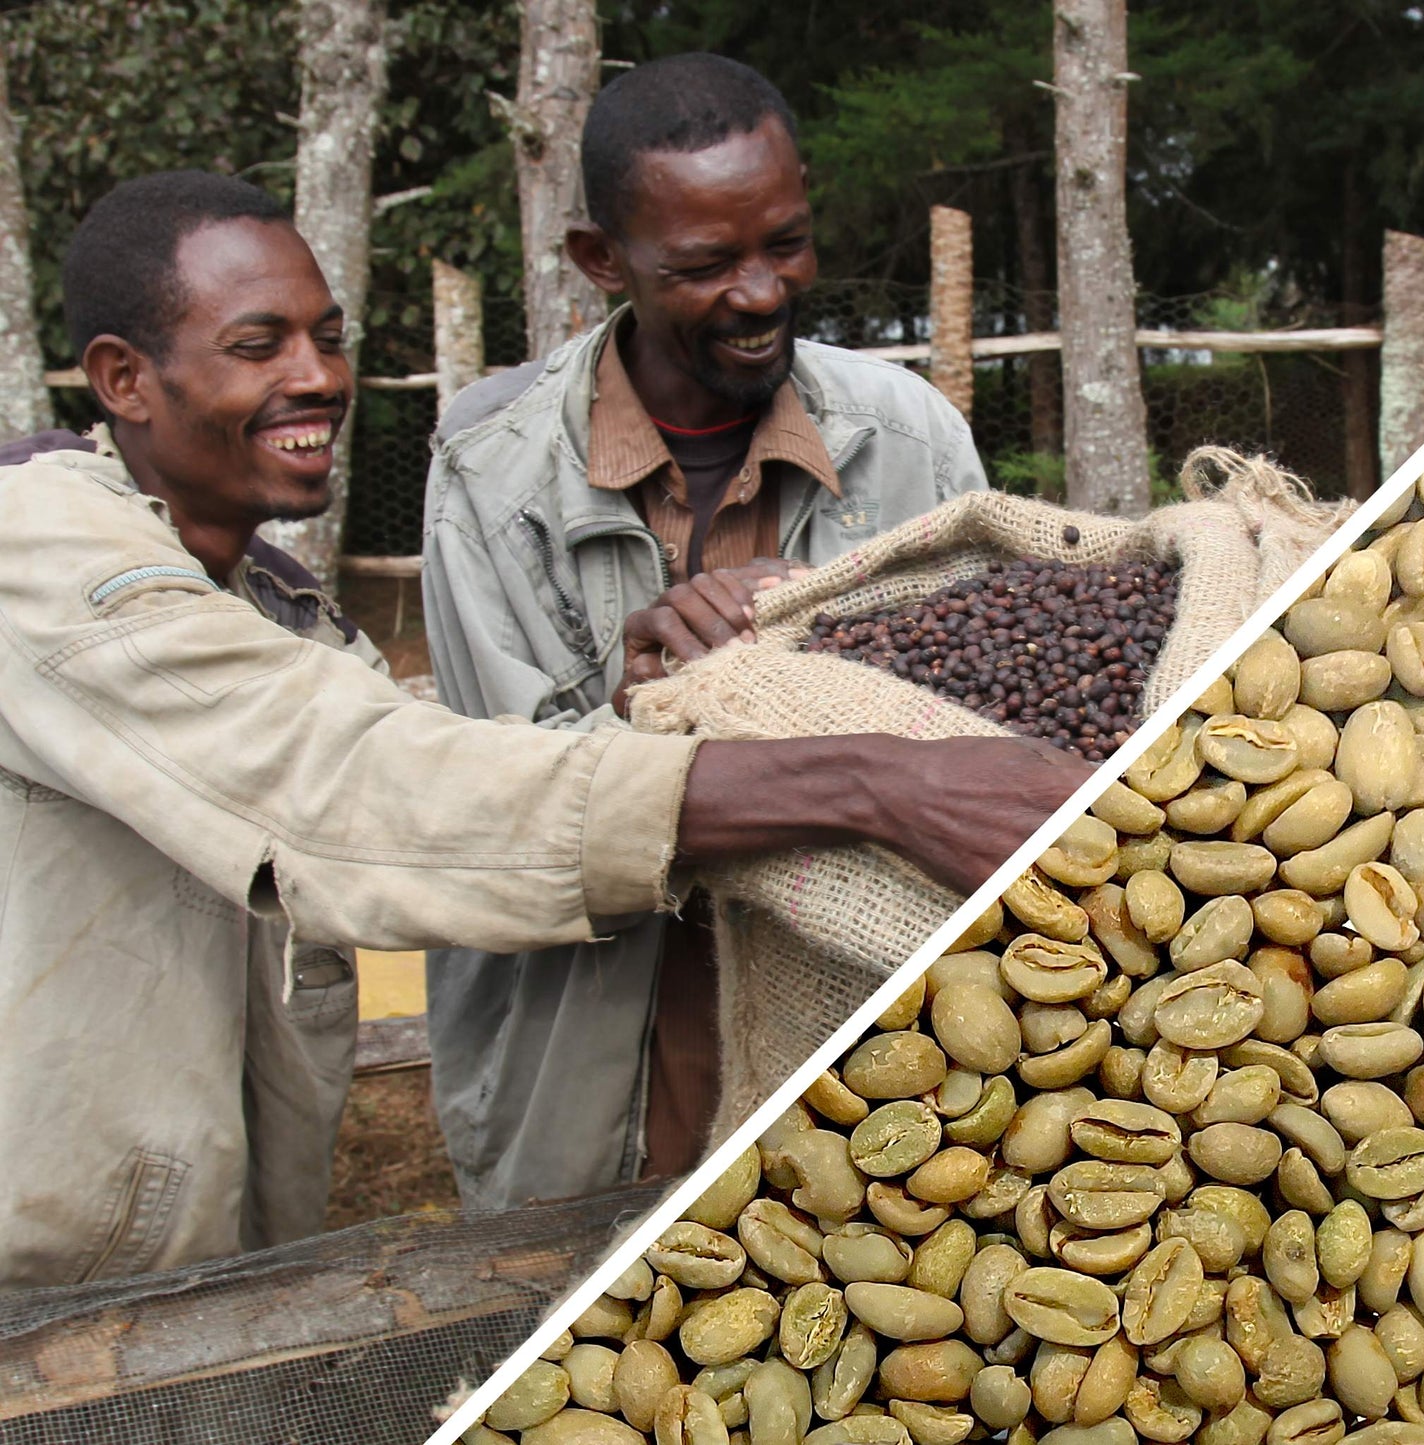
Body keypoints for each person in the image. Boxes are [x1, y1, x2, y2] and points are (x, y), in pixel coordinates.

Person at [0, 170, 1086, 1289]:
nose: (318, 377)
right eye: (256, 344)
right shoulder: (39, 549)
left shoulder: (276, 607)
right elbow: (349, 784)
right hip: (40, 1278)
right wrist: (874, 785)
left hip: (181, 1268)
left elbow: (401, 738)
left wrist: (633, 703)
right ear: (124, 378)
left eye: (327, 336)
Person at [422, 54, 1017, 1211]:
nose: (758, 292)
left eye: (784, 243)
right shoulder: (492, 476)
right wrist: (638, 695)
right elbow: (498, 804)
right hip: (597, 1071)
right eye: (702, 264)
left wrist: (828, 648)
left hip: (864, 1062)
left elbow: (995, 738)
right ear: (603, 261)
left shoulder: (909, 440)